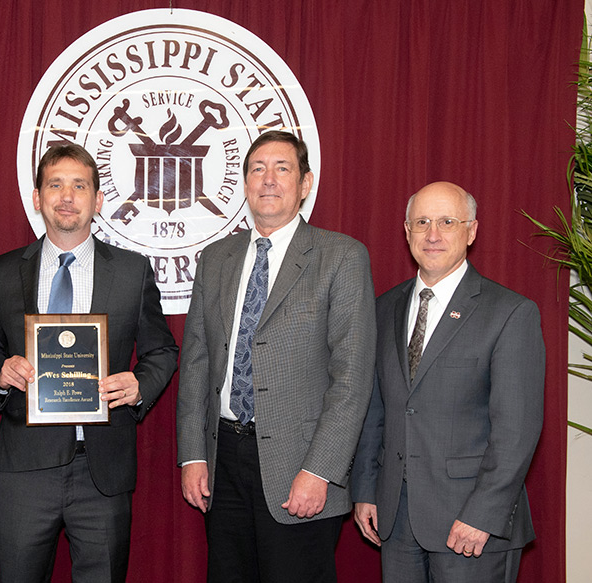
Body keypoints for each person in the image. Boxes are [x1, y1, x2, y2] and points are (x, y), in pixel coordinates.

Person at [176, 130, 377, 582]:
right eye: (257, 170)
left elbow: (352, 376)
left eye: (282, 169)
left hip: (299, 466)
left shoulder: (341, 257)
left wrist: (320, 470)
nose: (268, 180)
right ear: (245, 184)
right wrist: (192, 455)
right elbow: (196, 363)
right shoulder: (216, 257)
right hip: (222, 462)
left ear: (305, 184)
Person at [0, 143, 178, 582]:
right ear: (37, 197)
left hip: (101, 469)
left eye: (79, 185)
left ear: (98, 199)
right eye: (55, 184)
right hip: (25, 468)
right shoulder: (3, 271)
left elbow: (162, 350)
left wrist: (140, 385)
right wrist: (0, 371)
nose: (67, 196)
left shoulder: (132, 271)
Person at [350, 182, 545, 582]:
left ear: (471, 231)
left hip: (471, 525)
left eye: (447, 222)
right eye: (421, 222)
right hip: (397, 519)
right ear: (406, 232)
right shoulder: (383, 308)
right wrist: (367, 489)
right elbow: (375, 411)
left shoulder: (510, 313)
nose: (433, 234)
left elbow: (517, 430)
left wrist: (482, 515)